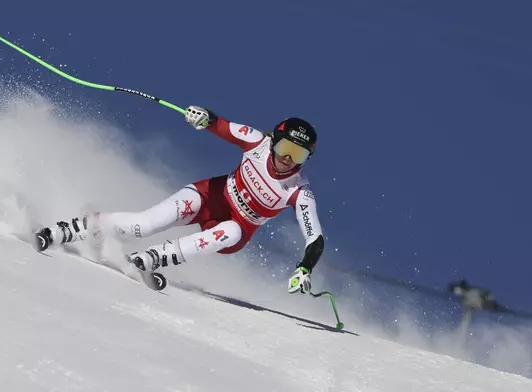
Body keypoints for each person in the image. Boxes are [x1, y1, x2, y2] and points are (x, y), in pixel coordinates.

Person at [34, 106, 325, 294]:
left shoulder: (298, 191)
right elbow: (220, 124)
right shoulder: (256, 142)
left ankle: (151, 258)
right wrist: (203, 119)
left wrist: (304, 268)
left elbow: (315, 239)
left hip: (235, 227)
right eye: (286, 147)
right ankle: (75, 228)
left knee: (232, 231)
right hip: (210, 196)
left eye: (299, 155)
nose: (288, 159)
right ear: (274, 140)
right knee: (145, 224)